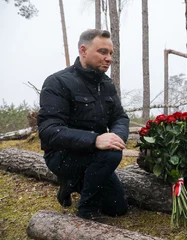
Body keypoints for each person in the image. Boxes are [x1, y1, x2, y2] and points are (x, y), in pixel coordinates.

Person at [37, 29, 129, 221]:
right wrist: (95, 139)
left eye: (111, 53)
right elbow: (49, 131)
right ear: (83, 50)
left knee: (117, 207)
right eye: (103, 52)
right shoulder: (58, 82)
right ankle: (87, 211)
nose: (109, 58)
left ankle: (71, 184)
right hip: (63, 156)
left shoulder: (107, 84)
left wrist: (117, 136)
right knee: (111, 153)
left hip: (94, 156)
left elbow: (120, 117)